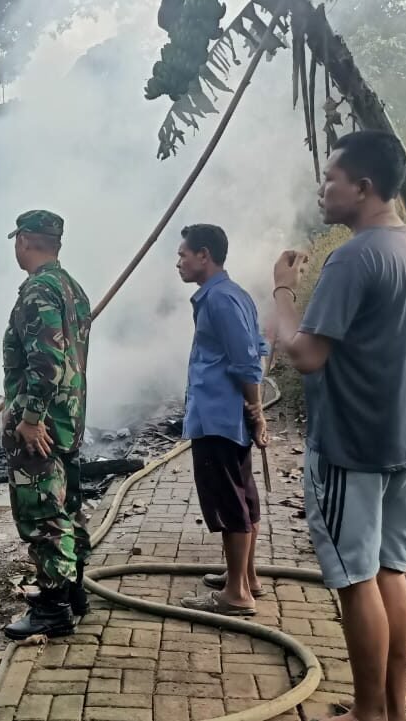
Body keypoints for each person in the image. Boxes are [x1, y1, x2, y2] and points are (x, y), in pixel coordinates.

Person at [272, 131, 406, 721]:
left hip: (351, 445)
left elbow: (307, 353)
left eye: (330, 180)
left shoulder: (357, 254)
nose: (322, 191)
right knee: (391, 572)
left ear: (362, 188)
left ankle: (368, 714)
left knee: (355, 581)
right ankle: (394, 709)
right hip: (404, 441)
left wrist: (283, 290)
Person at [0, 210, 92, 640]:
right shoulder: (71, 287)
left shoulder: (38, 290)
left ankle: (53, 610)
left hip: (43, 426)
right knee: (68, 505)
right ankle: (72, 592)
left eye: (16, 240)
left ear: (25, 240)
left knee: (42, 512)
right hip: (69, 418)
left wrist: (31, 418)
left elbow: (46, 360)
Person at [174, 224, 269, 616]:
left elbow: (246, 359)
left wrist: (257, 410)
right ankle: (246, 577)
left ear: (205, 255)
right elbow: (261, 347)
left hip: (218, 416)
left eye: (183, 254)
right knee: (243, 494)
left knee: (229, 501)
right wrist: (253, 408)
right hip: (228, 416)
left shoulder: (220, 300)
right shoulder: (233, 294)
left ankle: (236, 595)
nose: (178, 262)